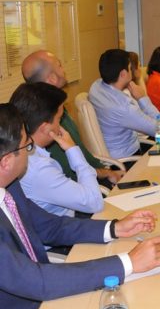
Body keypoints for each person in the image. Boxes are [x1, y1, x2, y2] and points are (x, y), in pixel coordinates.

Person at [0, 103, 160, 309]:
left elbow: (49, 226)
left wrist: (114, 228)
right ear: (6, 162)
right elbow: (36, 282)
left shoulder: (9, 186)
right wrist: (128, 262)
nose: (30, 152)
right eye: (27, 146)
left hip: (46, 287)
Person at [21, 50, 123, 187]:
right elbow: (70, 173)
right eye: (60, 65)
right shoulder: (48, 125)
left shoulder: (54, 110)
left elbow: (80, 153)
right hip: (88, 185)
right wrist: (107, 173)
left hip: (95, 174)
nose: (64, 70)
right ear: (52, 78)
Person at [11, 83, 103, 217]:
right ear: (45, 128)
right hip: (68, 225)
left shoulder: (21, 153)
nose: (60, 126)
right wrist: (73, 150)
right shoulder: (39, 169)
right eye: (59, 119)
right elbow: (95, 203)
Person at [89, 49, 160, 158]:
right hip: (129, 159)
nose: (132, 71)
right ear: (123, 74)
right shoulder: (124, 108)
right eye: (130, 68)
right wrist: (143, 98)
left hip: (111, 155)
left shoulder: (96, 86)